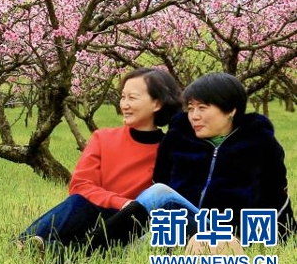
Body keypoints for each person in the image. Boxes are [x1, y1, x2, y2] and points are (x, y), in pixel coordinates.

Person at [87, 72, 296, 251]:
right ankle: (93, 248)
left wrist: (284, 240)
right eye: (190, 108)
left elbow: (276, 199)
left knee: (158, 195)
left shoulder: (260, 143)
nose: (194, 116)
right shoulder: (179, 137)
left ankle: (90, 250)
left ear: (231, 110)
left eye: (203, 108)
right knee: (151, 197)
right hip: (184, 224)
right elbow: (162, 179)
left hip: (232, 233)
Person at [16, 67, 182, 255]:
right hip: (92, 214)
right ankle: (23, 245)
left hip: (130, 227)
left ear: (157, 104)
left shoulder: (171, 150)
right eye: (122, 97)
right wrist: (121, 203)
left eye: (132, 98)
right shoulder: (103, 138)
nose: (124, 105)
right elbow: (80, 185)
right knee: (80, 202)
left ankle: (44, 251)